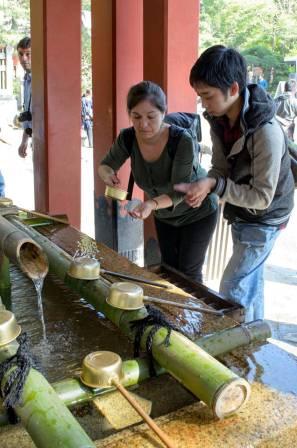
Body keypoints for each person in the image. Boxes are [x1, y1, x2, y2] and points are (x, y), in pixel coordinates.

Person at [175, 45, 295, 321]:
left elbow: (262, 197)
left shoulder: (266, 132)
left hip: (267, 217)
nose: (203, 104)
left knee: (232, 288)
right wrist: (206, 184)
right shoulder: (219, 119)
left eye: (207, 96)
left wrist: (215, 187)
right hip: (243, 212)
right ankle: (254, 345)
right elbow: (219, 168)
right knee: (251, 282)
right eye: (200, 96)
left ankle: (232, 353)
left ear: (233, 88)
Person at [98, 81, 218, 283]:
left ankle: (192, 314)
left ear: (163, 112)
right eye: (136, 116)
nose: (143, 124)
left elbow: (180, 191)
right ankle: (174, 313)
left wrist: (151, 204)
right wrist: (107, 175)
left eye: (151, 117)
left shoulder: (182, 141)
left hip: (197, 211)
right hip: (164, 214)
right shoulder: (128, 137)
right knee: (169, 271)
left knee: (189, 274)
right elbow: (105, 165)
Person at [17, 36, 32, 158]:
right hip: (36, 140)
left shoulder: (44, 79)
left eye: (28, 54)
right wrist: (24, 141)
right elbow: (28, 114)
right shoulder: (27, 80)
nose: (24, 58)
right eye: (21, 54)